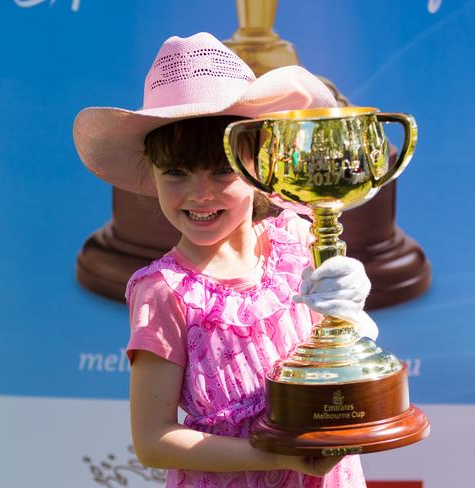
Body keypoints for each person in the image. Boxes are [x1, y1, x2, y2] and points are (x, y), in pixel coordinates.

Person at [74, 32, 377, 487]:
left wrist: (354, 318)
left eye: (221, 169)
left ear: (259, 166)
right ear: (151, 176)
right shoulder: (164, 291)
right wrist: (279, 457)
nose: (200, 194)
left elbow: (345, 360)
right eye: (176, 172)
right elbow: (153, 439)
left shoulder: (299, 238)